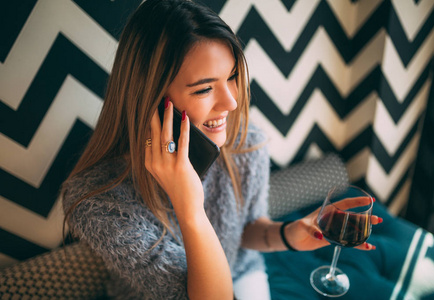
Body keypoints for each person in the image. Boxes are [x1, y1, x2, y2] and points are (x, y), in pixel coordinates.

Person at [61, 0, 382, 299]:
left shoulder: (246, 143)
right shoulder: (98, 203)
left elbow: (246, 230)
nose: (231, 102)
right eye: (204, 89)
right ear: (151, 101)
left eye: (232, 77)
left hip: (241, 272)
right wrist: (190, 208)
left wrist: (286, 234)